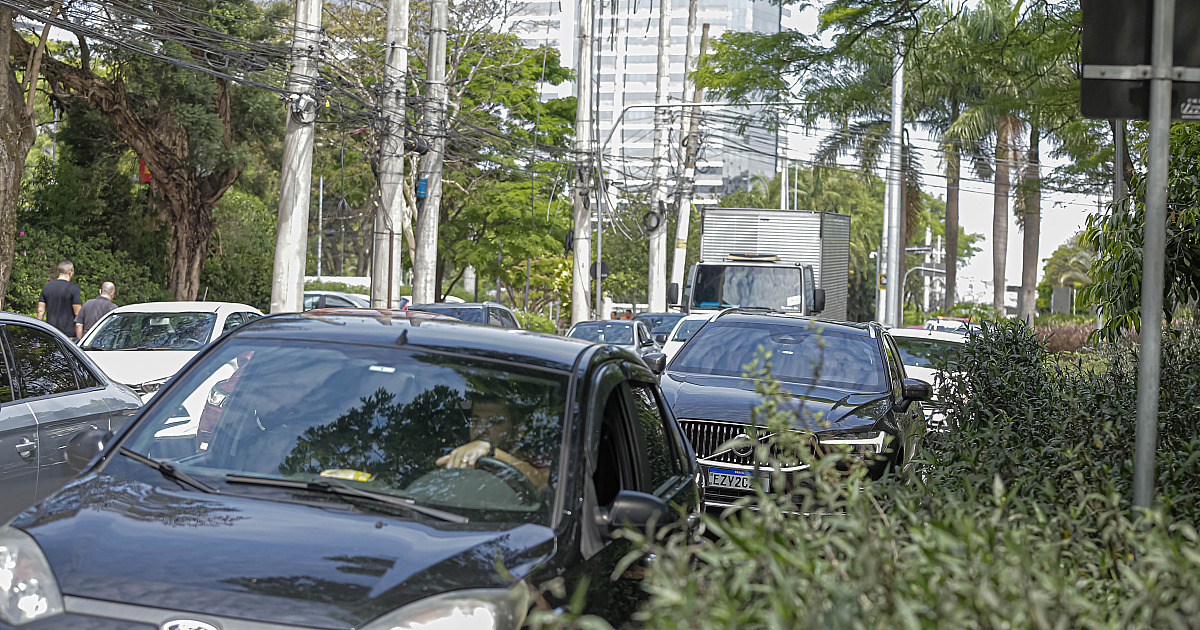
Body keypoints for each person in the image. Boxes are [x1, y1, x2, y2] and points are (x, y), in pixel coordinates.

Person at [37, 261, 82, 339]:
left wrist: (37, 331)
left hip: (51, 333)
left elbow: (40, 311)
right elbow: (78, 314)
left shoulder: (47, 287)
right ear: (70, 271)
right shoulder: (73, 289)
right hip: (69, 336)